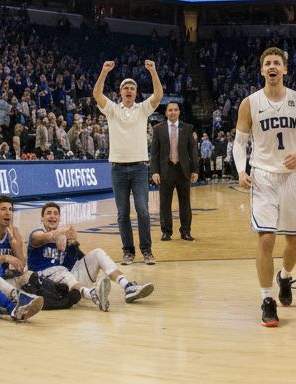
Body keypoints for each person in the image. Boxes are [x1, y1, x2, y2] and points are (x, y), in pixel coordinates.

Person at [233, 47, 296, 328]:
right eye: (267, 63)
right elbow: (239, 142)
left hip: (291, 177)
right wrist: (241, 170)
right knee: (266, 238)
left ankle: (285, 276)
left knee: (294, 240)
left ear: (284, 69)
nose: (272, 66)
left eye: (277, 63)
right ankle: (267, 298)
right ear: (261, 71)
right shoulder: (250, 103)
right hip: (263, 176)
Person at [93, 59, 164, 266]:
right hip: (117, 167)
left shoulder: (143, 109)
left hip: (140, 168)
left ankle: (147, 251)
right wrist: (104, 72)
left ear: (136, 92)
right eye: (126, 87)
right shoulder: (112, 110)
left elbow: (158, 95)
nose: (129, 90)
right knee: (122, 213)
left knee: (142, 210)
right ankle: (128, 251)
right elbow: (97, 95)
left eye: (132, 87)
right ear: (121, 92)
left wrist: (153, 71)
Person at [26, 201, 153, 310]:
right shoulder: (37, 234)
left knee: (97, 253)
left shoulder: (65, 238)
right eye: (48, 213)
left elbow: (75, 263)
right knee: (59, 270)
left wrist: (73, 245)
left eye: (55, 213)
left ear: (59, 218)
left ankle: (127, 286)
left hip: (67, 282)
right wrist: (60, 233)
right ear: (42, 218)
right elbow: (42, 237)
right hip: (43, 283)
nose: (52, 216)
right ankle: (92, 293)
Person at [150, 102, 199, 242]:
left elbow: (193, 152)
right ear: (166, 112)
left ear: (179, 112)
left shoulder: (187, 128)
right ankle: (166, 232)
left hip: (183, 170)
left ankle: (186, 231)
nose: (173, 112)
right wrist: (154, 171)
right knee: (165, 203)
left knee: (185, 203)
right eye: (170, 110)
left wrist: (195, 170)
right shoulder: (158, 129)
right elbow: (154, 153)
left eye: (175, 110)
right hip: (166, 170)